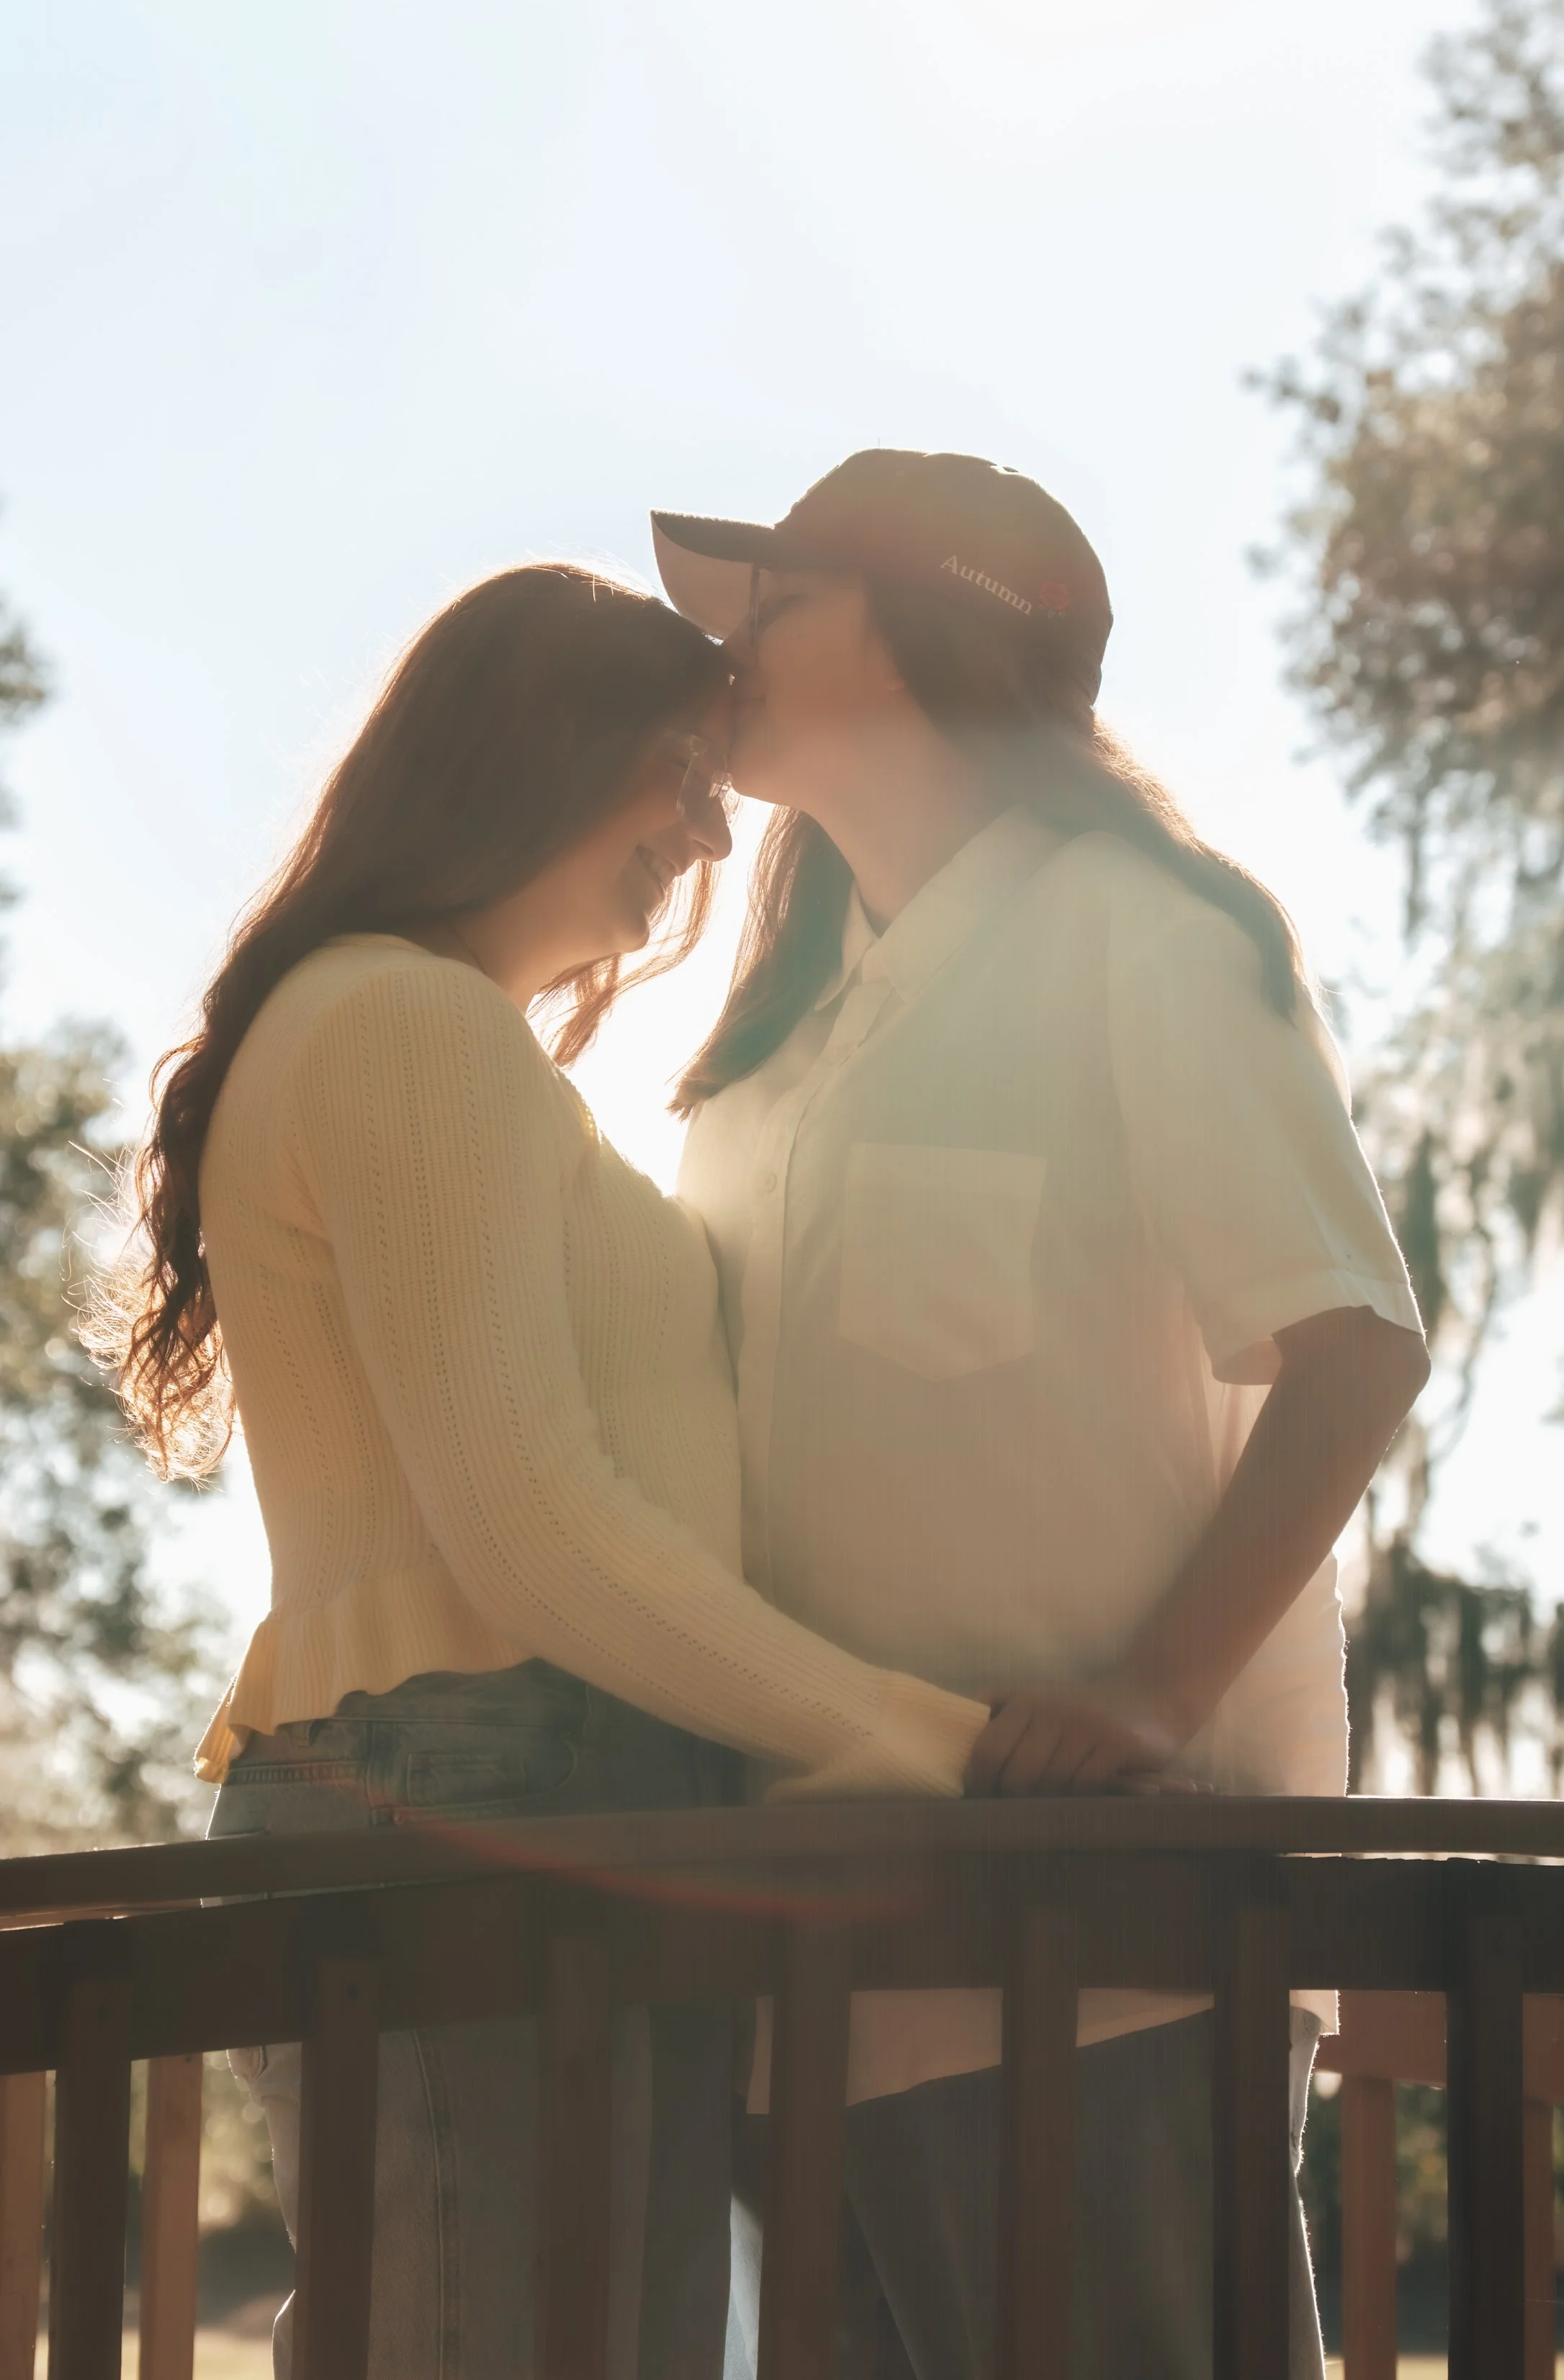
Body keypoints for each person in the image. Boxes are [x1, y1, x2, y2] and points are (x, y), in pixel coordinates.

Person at [89, 564, 1001, 2380]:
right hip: (481, 1786)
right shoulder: (404, 1026)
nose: (698, 834)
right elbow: (528, 1517)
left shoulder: (447, 1044)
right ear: (529, 751)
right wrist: (922, 1737)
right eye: (669, 772)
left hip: (524, 1788)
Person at [655, 454, 1432, 2379]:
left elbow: (1354, 1348)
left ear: (929, 631)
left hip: (1103, 1956)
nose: (722, 642)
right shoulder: (751, 1061)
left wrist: (1155, 1696)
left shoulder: (1146, 935)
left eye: (779, 597)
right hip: (802, 1970)